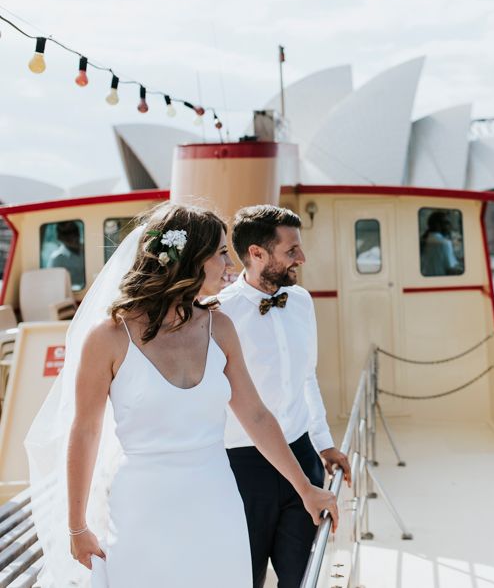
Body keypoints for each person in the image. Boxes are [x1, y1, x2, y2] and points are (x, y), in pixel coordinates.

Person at [25, 203, 337, 588]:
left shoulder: (219, 327)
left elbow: (255, 415)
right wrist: (76, 527)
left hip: (217, 503)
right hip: (142, 512)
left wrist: (305, 489)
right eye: (221, 253)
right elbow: (85, 431)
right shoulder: (108, 337)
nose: (231, 264)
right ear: (189, 260)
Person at [218, 205, 351, 588]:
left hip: (303, 455)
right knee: (247, 577)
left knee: (302, 577)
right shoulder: (219, 314)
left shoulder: (302, 302)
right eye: (291, 250)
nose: (302, 258)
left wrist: (323, 443)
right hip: (242, 469)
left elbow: (306, 378)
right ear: (257, 253)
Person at [420, 210, 463, 276]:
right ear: (437, 225)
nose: (450, 226)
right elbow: (451, 269)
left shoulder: (424, 240)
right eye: (447, 223)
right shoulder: (445, 243)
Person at [47, 220, 85, 289]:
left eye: (74, 231)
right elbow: (54, 287)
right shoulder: (56, 259)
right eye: (67, 234)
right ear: (60, 238)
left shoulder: (88, 250)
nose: (73, 236)